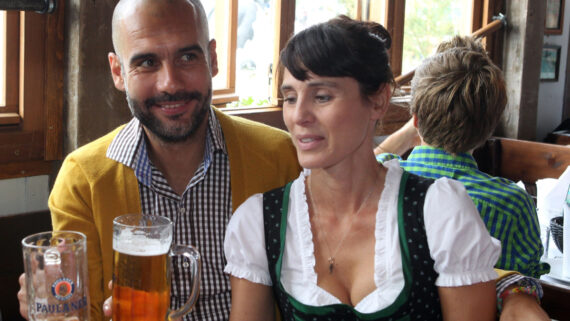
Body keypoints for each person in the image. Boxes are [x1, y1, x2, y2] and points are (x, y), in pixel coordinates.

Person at [17, 0, 300, 320]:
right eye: (147, 62)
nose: (171, 83)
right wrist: (54, 301)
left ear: (213, 59)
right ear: (118, 72)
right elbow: (81, 307)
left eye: (188, 56)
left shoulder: (283, 158)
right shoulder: (82, 180)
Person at [224, 16, 502, 320]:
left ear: (378, 101)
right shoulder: (260, 222)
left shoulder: (438, 212)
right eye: (290, 97)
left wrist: (518, 291)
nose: (299, 115)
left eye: (321, 96)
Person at [374, 36, 548, 279]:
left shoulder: (380, 176)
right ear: (488, 131)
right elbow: (526, 283)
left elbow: (374, 158)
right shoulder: (512, 204)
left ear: (414, 120)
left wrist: (416, 123)